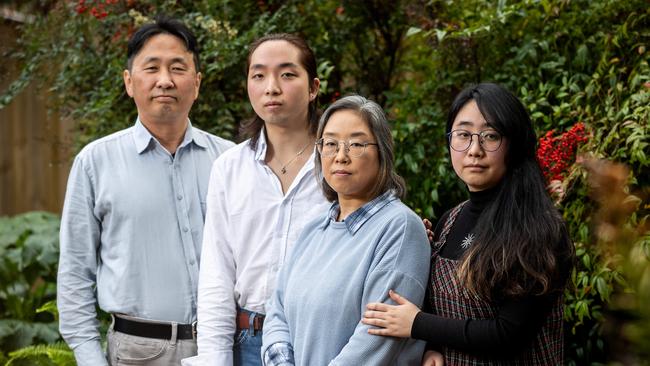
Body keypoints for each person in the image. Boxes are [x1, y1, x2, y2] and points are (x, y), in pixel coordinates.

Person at [57, 16, 234, 366]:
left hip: (224, 347)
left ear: (196, 83)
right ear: (129, 82)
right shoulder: (96, 162)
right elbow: (75, 275)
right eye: (151, 68)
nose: (165, 80)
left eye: (178, 68)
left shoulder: (229, 160)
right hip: (136, 352)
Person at [361, 83, 575, 365]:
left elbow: (508, 334)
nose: (474, 149)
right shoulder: (449, 220)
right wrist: (432, 347)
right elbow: (446, 309)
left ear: (515, 144)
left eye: (490, 136)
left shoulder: (539, 230)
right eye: (463, 135)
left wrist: (418, 325)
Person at [182, 34, 330, 366]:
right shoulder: (229, 169)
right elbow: (217, 276)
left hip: (322, 341)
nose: (271, 87)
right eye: (258, 75)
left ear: (313, 87)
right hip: (247, 342)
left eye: (288, 74)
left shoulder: (339, 164)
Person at [262, 95, 431, 365]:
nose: (341, 156)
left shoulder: (400, 228)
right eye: (330, 143)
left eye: (356, 144)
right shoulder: (314, 230)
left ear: (382, 151)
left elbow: (377, 336)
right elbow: (277, 314)